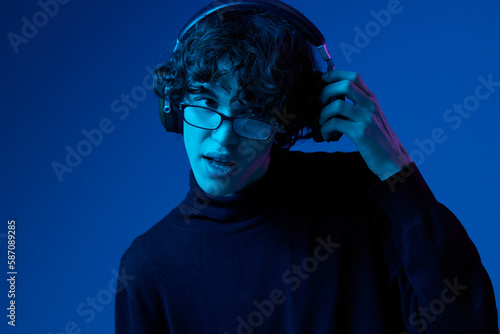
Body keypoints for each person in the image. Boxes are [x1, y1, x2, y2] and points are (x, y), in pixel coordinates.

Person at [115, 1, 499, 333]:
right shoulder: (148, 270)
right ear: (173, 105)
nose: (222, 139)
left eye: (253, 112)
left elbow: (468, 325)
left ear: (285, 121)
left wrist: (397, 171)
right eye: (206, 102)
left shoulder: (362, 196)